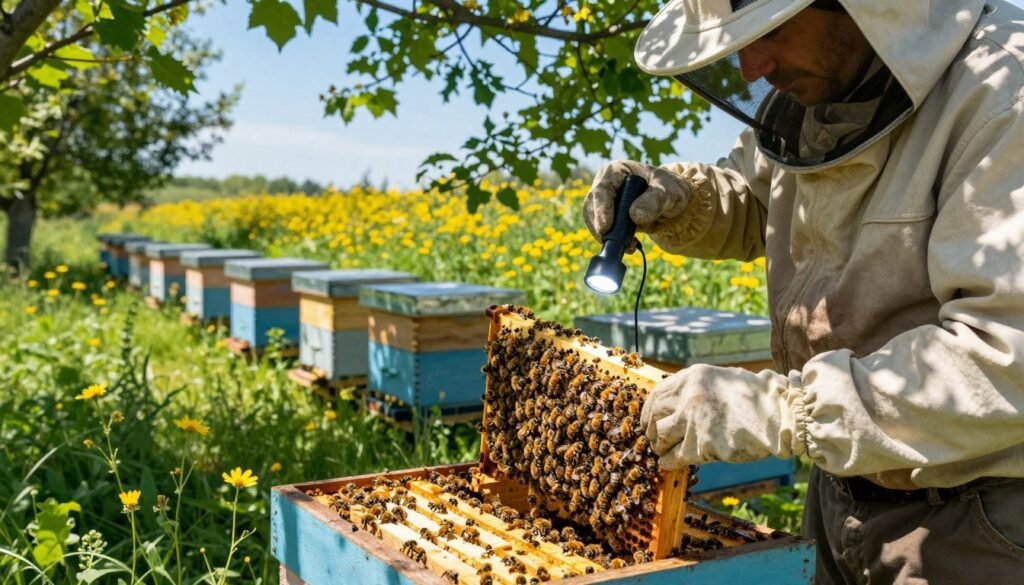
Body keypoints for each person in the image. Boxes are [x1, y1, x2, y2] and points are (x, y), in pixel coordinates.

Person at [583, 0, 1024, 583]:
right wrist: (684, 202)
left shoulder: (1002, 92)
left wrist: (781, 411)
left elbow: (1005, 356)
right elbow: (766, 199)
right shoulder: (823, 84)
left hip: (975, 518)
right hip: (839, 484)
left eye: (768, 30)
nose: (750, 67)